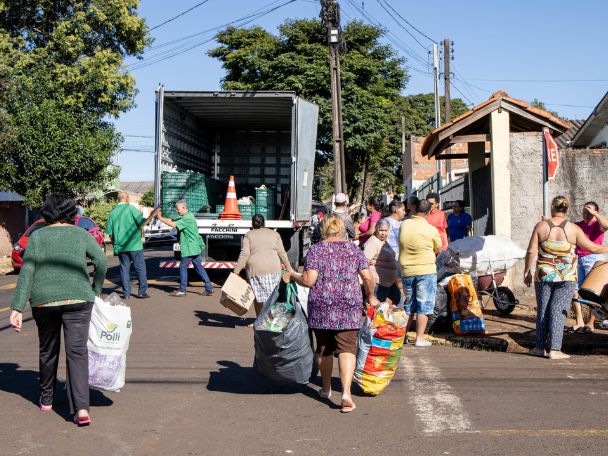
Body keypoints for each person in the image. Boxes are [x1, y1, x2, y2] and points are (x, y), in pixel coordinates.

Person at [9, 194, 107, 426]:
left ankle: (47, 400)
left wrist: (17, 307)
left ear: (47, 213)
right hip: (79, 300)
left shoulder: (37, 237)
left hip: (44, 302)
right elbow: (101, 261)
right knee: (77, 353)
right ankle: (82, 410)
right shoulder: (81, 234)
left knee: (48, 350)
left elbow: (27, 272)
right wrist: (95, 290)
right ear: (72, 213)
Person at [286, 214, 378, 413]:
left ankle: (326, 387)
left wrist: (294, 276)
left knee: (324, 348)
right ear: (342, 230)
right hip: (349, 305)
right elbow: (368, 277)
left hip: (322, 305)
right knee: (347, 348)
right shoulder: (354, 250)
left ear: (323, 229)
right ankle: (346, 393)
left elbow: (309, 280)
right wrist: (371, 297)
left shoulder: (316, 250)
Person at [524, 196, 608, 359]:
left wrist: (527, 270)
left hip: (544, 273)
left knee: (543, 309)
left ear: (552, 208)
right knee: (558, 310)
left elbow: (531, 251)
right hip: (567, 274)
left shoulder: (541, 226)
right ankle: (555, 350)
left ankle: (539, 348)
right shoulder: (574, 229)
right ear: (566, 209)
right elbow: (592, 248)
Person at [399, 199, 442, 347]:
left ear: (414, 209)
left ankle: (401, 336)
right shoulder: (431, 230)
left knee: (409, 305)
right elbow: (438, 249)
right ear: (429, 212)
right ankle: (420, 338)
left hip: (407, 270)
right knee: (424, 305)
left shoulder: (404, 225)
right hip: (426, 270)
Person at [234, 214, 294, 316]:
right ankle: (273, 321)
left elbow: (245, 253)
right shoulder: (275, 234)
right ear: (264, 223)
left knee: (257, 298)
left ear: (252, 224)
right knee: (273, 297)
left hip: (255, 271)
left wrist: (236, 272)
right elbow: (282, 253)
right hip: (274, 270)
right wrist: (290, 269)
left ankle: (259, 320)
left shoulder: (249, 235)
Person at [156, 200, 214, 297]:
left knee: (183, 267)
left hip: (190, 247)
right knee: (198, 267)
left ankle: (182, 290)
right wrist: (161, 218)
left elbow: (173, 224)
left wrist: (160, 218)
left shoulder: (187, 218)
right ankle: (209, 288)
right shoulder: (187, 216)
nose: (177, 211)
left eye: (178, 209)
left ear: (184, 208)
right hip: (194, 247)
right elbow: (173, 221)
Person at [105, 191, 157, 299]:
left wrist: (115, 243)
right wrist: (152, 215)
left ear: (118, 199)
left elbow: (110, 233)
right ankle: (142, 292)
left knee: (124, 269)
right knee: (140, 268)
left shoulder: (112, 212)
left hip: (121, 246)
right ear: (127, 198)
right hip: (134, 245)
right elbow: (142, 223)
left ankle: (126, 294)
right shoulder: (131, 209)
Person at [566, 202, 608, 334]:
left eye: (589, 212)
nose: (586, 214)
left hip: (594, 258)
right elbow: (565, 227)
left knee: (593, 293)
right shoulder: (579, 225)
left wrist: (595, 213)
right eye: (584, 211)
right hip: (578, 259)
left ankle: (591, 324)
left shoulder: (597, 224)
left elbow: (606, 226)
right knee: (573, 289)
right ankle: (579, 322)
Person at [364, 219, 403, 305]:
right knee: (378, 310)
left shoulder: (384, 241)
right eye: (381, 230)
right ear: (376, 229)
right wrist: (369, 283)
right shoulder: (372, 242)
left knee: (400, 304)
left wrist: (378, 262)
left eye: (386, 230)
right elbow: (365, 263)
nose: (383, 233)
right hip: (379, 283)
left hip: (389, 283)